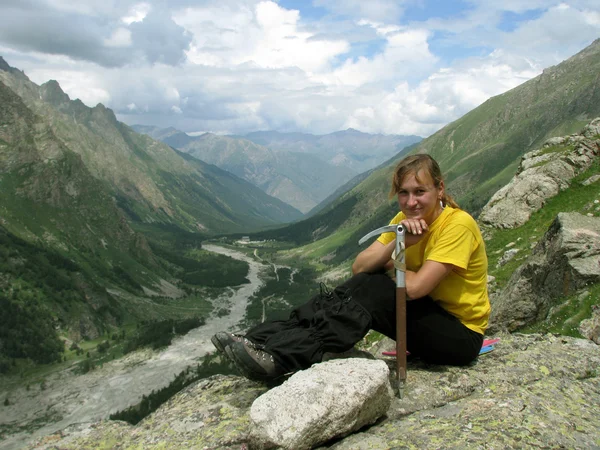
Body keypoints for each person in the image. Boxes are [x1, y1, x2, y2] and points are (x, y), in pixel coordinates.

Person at [211, 154, 491, 382]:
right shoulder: (403, 219)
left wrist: (390, 265)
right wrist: (396, 240)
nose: (410, 202)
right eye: (403, 193)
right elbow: (360, 266)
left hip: (460, 336)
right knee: (364, 283)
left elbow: (416, 289)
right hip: (430, 319)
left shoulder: (458, 225)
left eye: (420, 192)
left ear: (439, 188)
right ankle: (261, 339)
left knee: (376, 288)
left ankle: (281, 359)